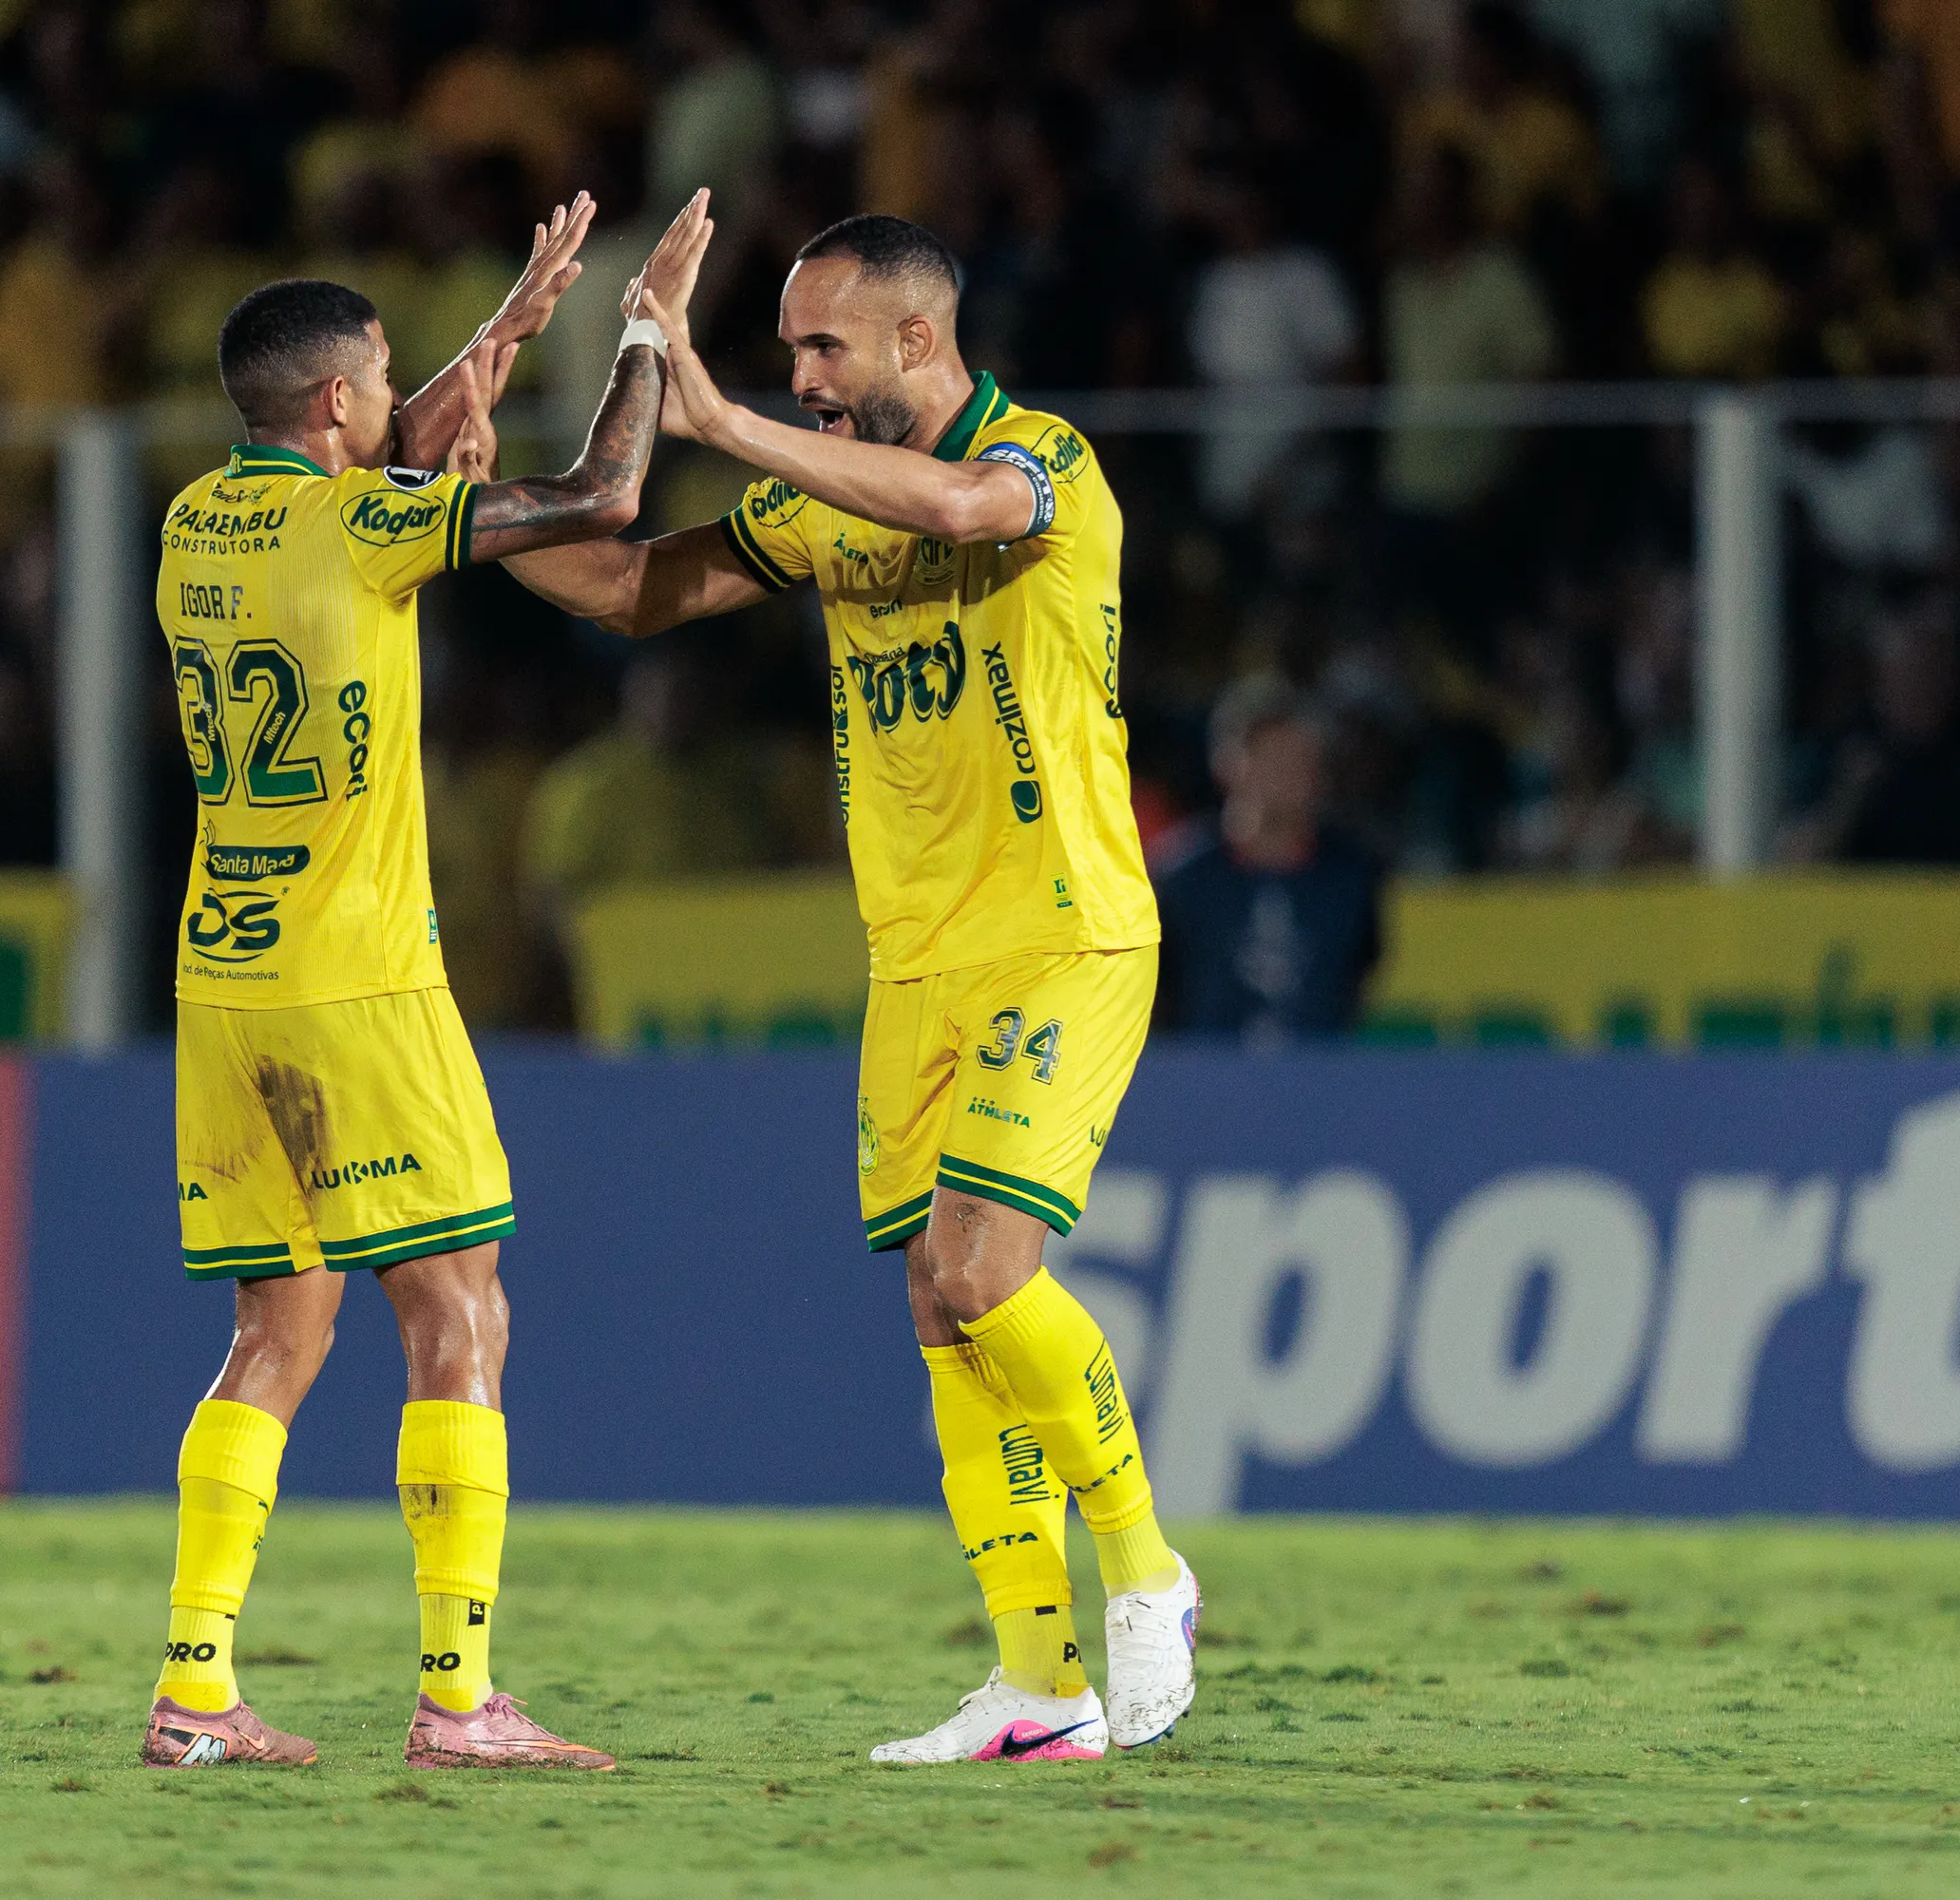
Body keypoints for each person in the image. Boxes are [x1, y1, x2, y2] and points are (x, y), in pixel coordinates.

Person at [504, 212, 1198, 1763]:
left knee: (985, 1271)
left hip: (1062, 935)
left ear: (916, 343)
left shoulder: (1046, 467)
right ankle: (1038, 1687)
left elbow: (961, 502)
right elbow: (628, 588)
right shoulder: (820, 509)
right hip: (916, 962)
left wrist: (724, 418)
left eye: (824, 349)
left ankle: (1150, 1572)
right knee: (936, 1310)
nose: (802, 379)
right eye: (784, 353)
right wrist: (440, 516)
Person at [142, 190, 711, 1773]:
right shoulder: (364, 528)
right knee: (461, 1313)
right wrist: (641, 337)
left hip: (226, 979)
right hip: (363, 984)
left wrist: (508, 325)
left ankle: (195, 1691)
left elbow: (394, 456)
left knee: (278, 1332)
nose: (401, 404)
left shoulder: (196, 522)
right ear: (336, 405)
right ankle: (460, 1704)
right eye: (380, 380)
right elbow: (601, 496)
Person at [1153, 677, 1387, 1042]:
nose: (1289, 777)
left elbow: (1359, 982)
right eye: (1273, 758)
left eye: (1302, 760)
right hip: (1202, 1088)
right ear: (1228, 763)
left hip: (1321, 1088)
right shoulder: (1183, 877)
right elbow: (1161, 995)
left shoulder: (1351, 878)